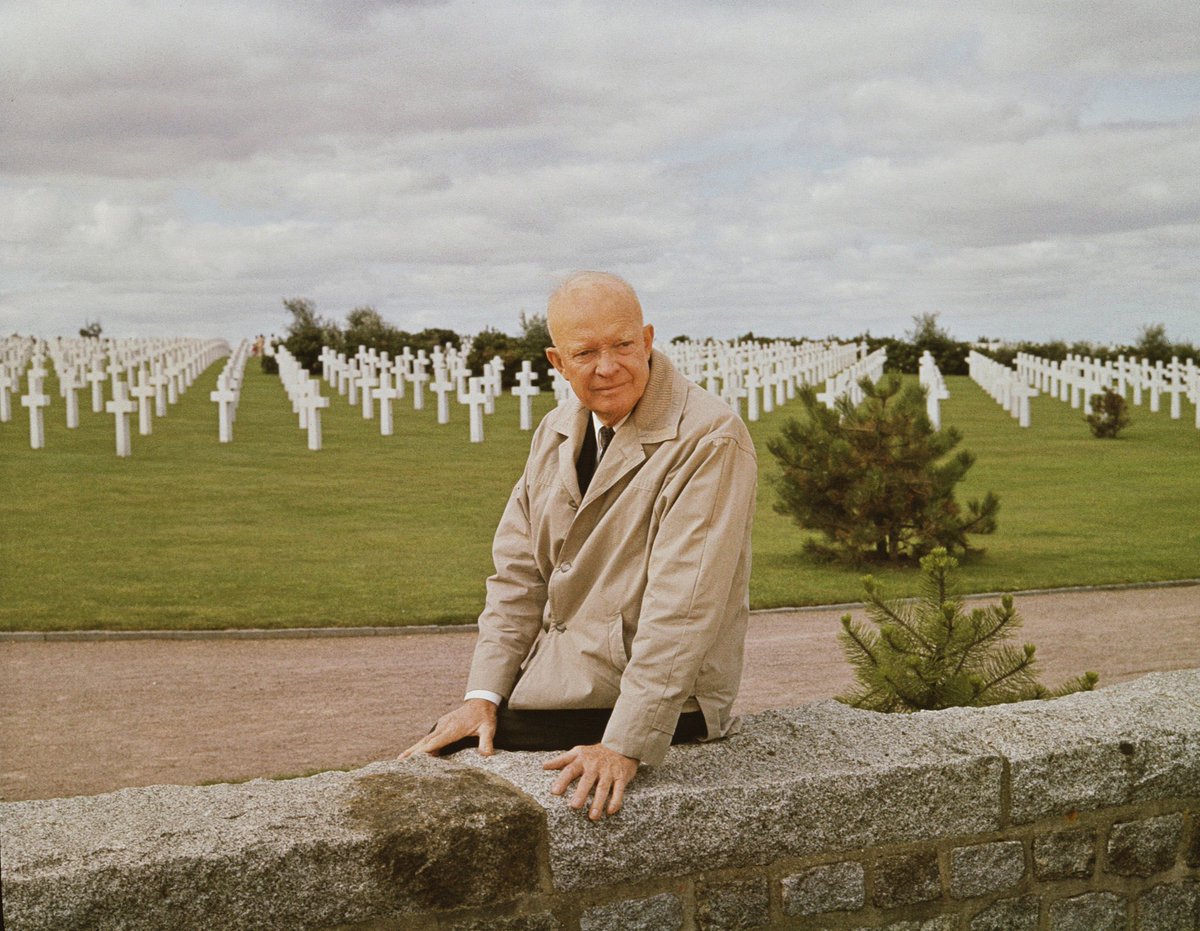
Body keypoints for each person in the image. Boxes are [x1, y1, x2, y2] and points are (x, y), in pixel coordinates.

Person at [401, 271, 757, 821]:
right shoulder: (554, 431)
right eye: (585, 352)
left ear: (648, 339)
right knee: (457, 736)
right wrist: (484, 694)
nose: (608, 366)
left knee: (452, 767)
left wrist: (625, 746)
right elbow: (517, 575)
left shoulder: (709, 438)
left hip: (664, 699)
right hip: (564, 679)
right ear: (556, 362)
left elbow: (684, 607)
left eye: (622, 344)